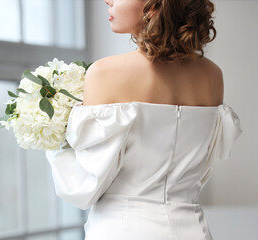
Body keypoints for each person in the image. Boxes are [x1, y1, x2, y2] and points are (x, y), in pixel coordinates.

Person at [45, 0, 243, 239]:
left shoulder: (104, 73)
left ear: (154, 5)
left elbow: (84, 188)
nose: (108, 0)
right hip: (192, 230)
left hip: (122, 229)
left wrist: (54, 137)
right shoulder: (213, 75)